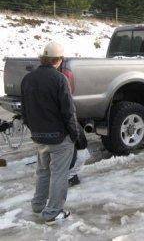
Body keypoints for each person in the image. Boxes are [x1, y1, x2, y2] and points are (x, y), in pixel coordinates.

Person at [21, 42, 80, 224]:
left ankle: (38, 205)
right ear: (59, 60)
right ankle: (53, 212)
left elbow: (25, 111)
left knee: (43, 171)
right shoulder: (60, 79)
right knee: (59, 174)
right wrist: (75, 134)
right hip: (59, 138)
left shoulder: (28, 79)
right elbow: (68, 111)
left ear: (42, 58)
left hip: (39, 137)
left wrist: (35, 130)